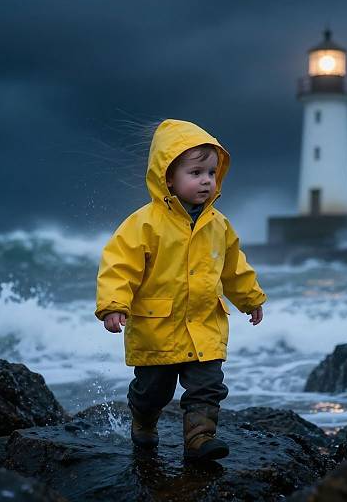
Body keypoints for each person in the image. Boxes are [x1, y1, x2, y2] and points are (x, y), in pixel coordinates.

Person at [95, 118, 266, 461]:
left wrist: (251, 298)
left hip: (204, 325)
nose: (206, 180)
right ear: (168, 176)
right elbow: (119, 266)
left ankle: (199, 440)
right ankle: (143, 421)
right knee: (152, 391)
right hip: (157, 328)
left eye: (212, 173)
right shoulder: (144, 223)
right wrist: (114, 305)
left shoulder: (219, 224)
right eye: (196, 172)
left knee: (207, 387)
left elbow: (234, 267)